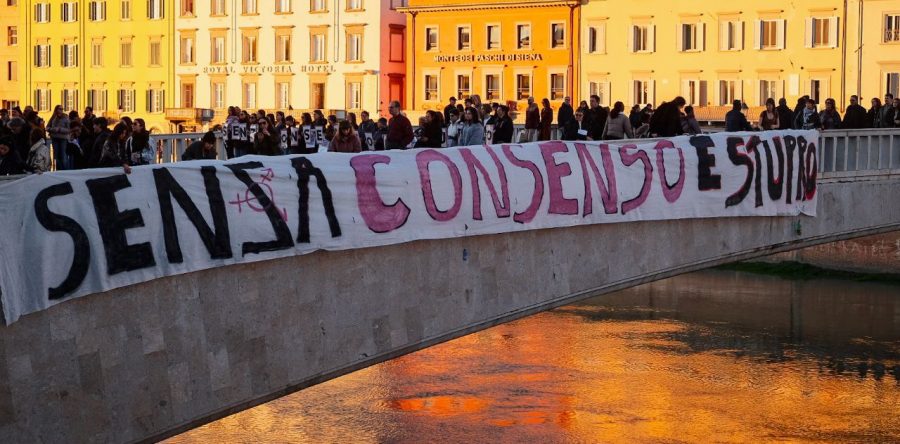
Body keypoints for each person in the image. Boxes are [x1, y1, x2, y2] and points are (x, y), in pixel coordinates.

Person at [47, 105, 71, 170]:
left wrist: (60, 129)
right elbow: (47, 127)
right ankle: (58, 169)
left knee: (63, 155)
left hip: (63, 138)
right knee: (56, 156)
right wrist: (53, 129)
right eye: (59, 109)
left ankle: (64, 170)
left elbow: (69, 129)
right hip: (55, 138)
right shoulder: (53, 118)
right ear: (56, 110)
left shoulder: (66, 118)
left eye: (62, 109)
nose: (61, 110)